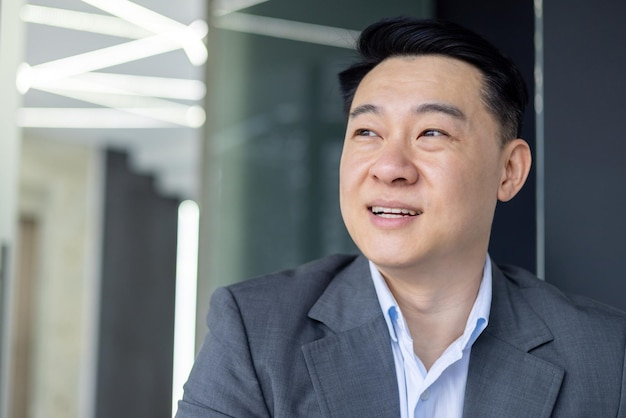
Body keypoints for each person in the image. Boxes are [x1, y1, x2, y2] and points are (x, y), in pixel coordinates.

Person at [176, 17, 626, 417]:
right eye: (367, 132)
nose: (389, 167)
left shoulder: (608, 356)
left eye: (431, 132)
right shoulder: (255, 330)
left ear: (509, 171)